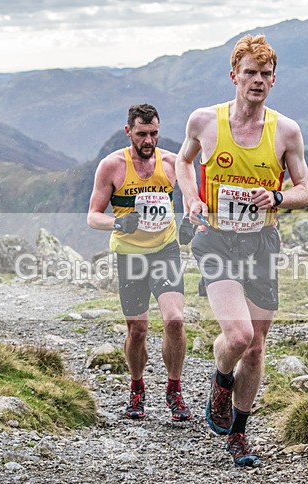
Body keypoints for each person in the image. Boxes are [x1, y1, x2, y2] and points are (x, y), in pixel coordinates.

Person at [175, 34, 308, 466]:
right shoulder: (205, 121)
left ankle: (238, 434)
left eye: (265, 74)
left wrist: (277, 197)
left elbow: (305, 189)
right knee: (239, 336)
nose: (258, 80)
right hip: (216, 238)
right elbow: (183, 161)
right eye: (250, 72)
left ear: (274, 80)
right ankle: (221, 379)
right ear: (233, 75)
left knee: (256, 347)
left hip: (261, 242)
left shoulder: (286, 131)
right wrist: (192, 199)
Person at [87, 103, 190, 423]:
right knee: (138, 329)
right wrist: (118, 222)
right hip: (129, 254)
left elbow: (193, 199)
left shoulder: (172, 163)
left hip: (164, 250)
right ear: (128, 131)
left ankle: (174, 389)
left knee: (175, 320)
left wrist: (191, 219)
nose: (149, 141)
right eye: (142, 134)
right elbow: (93, 216)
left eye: (154, 133)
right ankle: (136, 387)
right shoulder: (111, 166)